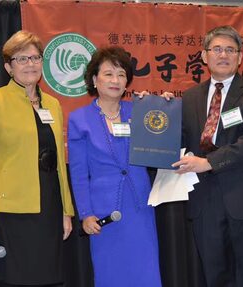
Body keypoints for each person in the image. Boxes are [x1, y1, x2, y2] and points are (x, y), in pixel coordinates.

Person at [172, 26, 243, 287]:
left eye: (230, 50)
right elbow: (177, 141)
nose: (224, 55)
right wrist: (158, 112)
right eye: (217, 49)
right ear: (204, 55)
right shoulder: (188, 98)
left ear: (240, 57)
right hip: (205, 202)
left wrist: (208, 162)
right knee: (214, 276)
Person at [0, 30, 74, 287]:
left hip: (49, 207)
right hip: (11, 210)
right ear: (8, 67)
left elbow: (60, 163)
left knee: (48, 279)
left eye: (35, 57)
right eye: (21, 59)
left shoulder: (53, 104)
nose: (30, 64)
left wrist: (65, 211)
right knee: (16, 280)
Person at [67, 46, 163, 287]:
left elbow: (162, 148)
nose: (115, 80)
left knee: (146, 273)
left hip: (140, 208)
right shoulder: (79, 119)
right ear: (94, 79)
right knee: (111, 275)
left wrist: (163, 109)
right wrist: (86, 214)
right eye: (108, 74)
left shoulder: (140, 111)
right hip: (103, 214)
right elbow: (78, 174)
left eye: (121, 75)